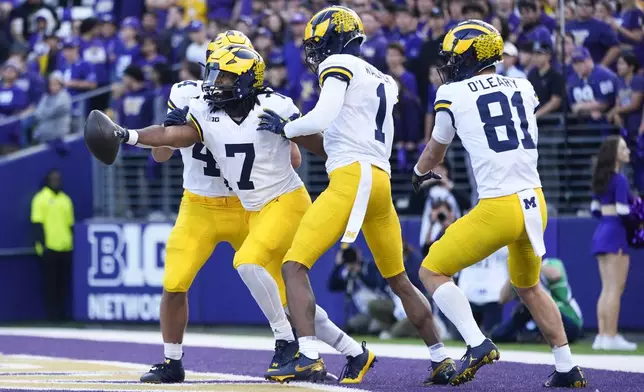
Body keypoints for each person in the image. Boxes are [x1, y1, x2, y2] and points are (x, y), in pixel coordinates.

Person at [90, 42, 371, 385]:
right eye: (212, 70)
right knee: (177, 282)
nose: (213, 81)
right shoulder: (198, 103)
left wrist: (289, 130)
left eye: (222, 75)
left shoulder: (275, 104)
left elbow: (305, 153)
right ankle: (351, 351)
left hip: (262, 204)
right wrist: (129, 135)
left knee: (272, 284)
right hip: (204, 204)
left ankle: (289, 345)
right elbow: (168, 139)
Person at [256, 6, 455, 385]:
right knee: (398, 279)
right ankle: (440, 358)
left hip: (353, 176)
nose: (314, 51)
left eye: (317, 41)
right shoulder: (381, 78)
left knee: (293, 266)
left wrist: (288, 127)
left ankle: (309, 356)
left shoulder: (341, 65)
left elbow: (322, 115)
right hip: (379, 178)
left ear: (334, 38)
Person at [412, 20, 587, 387]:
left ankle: (476, 343)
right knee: (530, 286)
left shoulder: (453, 93)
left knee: (431, 270)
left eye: (455, 54)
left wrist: (418, 172)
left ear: (472, 54)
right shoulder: (523, 85)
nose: (450, 62)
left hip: (499, 204)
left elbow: (436, 147)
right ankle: (567, 366)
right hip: (535, 202)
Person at [590, 135, 638, 351]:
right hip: (615, 234)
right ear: (615, 154)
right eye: (623, 148)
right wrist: (638, 219)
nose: (627, 151)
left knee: (606, 288)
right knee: (615, 288)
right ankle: (611, 335)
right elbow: (623, 211)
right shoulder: (619, 180)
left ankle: (602, 336)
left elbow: (594, 210)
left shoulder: (601, 178)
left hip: (602, 232)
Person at [493, 257, 583, 344]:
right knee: (524, 308)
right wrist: (514, 272)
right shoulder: (521, 275)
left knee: (534, 302)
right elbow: (502, 299)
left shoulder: (551, 263)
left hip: (568, 322)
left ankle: (532, 335)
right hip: (540, 321)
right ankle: (500, 335)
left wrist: (531, 265)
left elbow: (556, 275)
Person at [31, 169, 74, 321]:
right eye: (53, 179)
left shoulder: (65, 199)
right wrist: (41, 246)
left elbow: (70, 225)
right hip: (49, 248)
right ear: (48, 180)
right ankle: (52, 315)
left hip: (65, 247)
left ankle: (63, 314)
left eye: (58, 179)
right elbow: (36, 224)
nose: (56, 181)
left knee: (63, 283)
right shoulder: (40, 199)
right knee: (51, 284)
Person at [327, 244, 388, 334]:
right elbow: (332, 286)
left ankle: (384, 325)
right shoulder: (347, 273)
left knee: (374, 328)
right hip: (366, 313)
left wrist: (359, 272)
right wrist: (338, 265)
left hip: (380, 306)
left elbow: (376, 285)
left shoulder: (369, 266)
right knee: (352, 325)